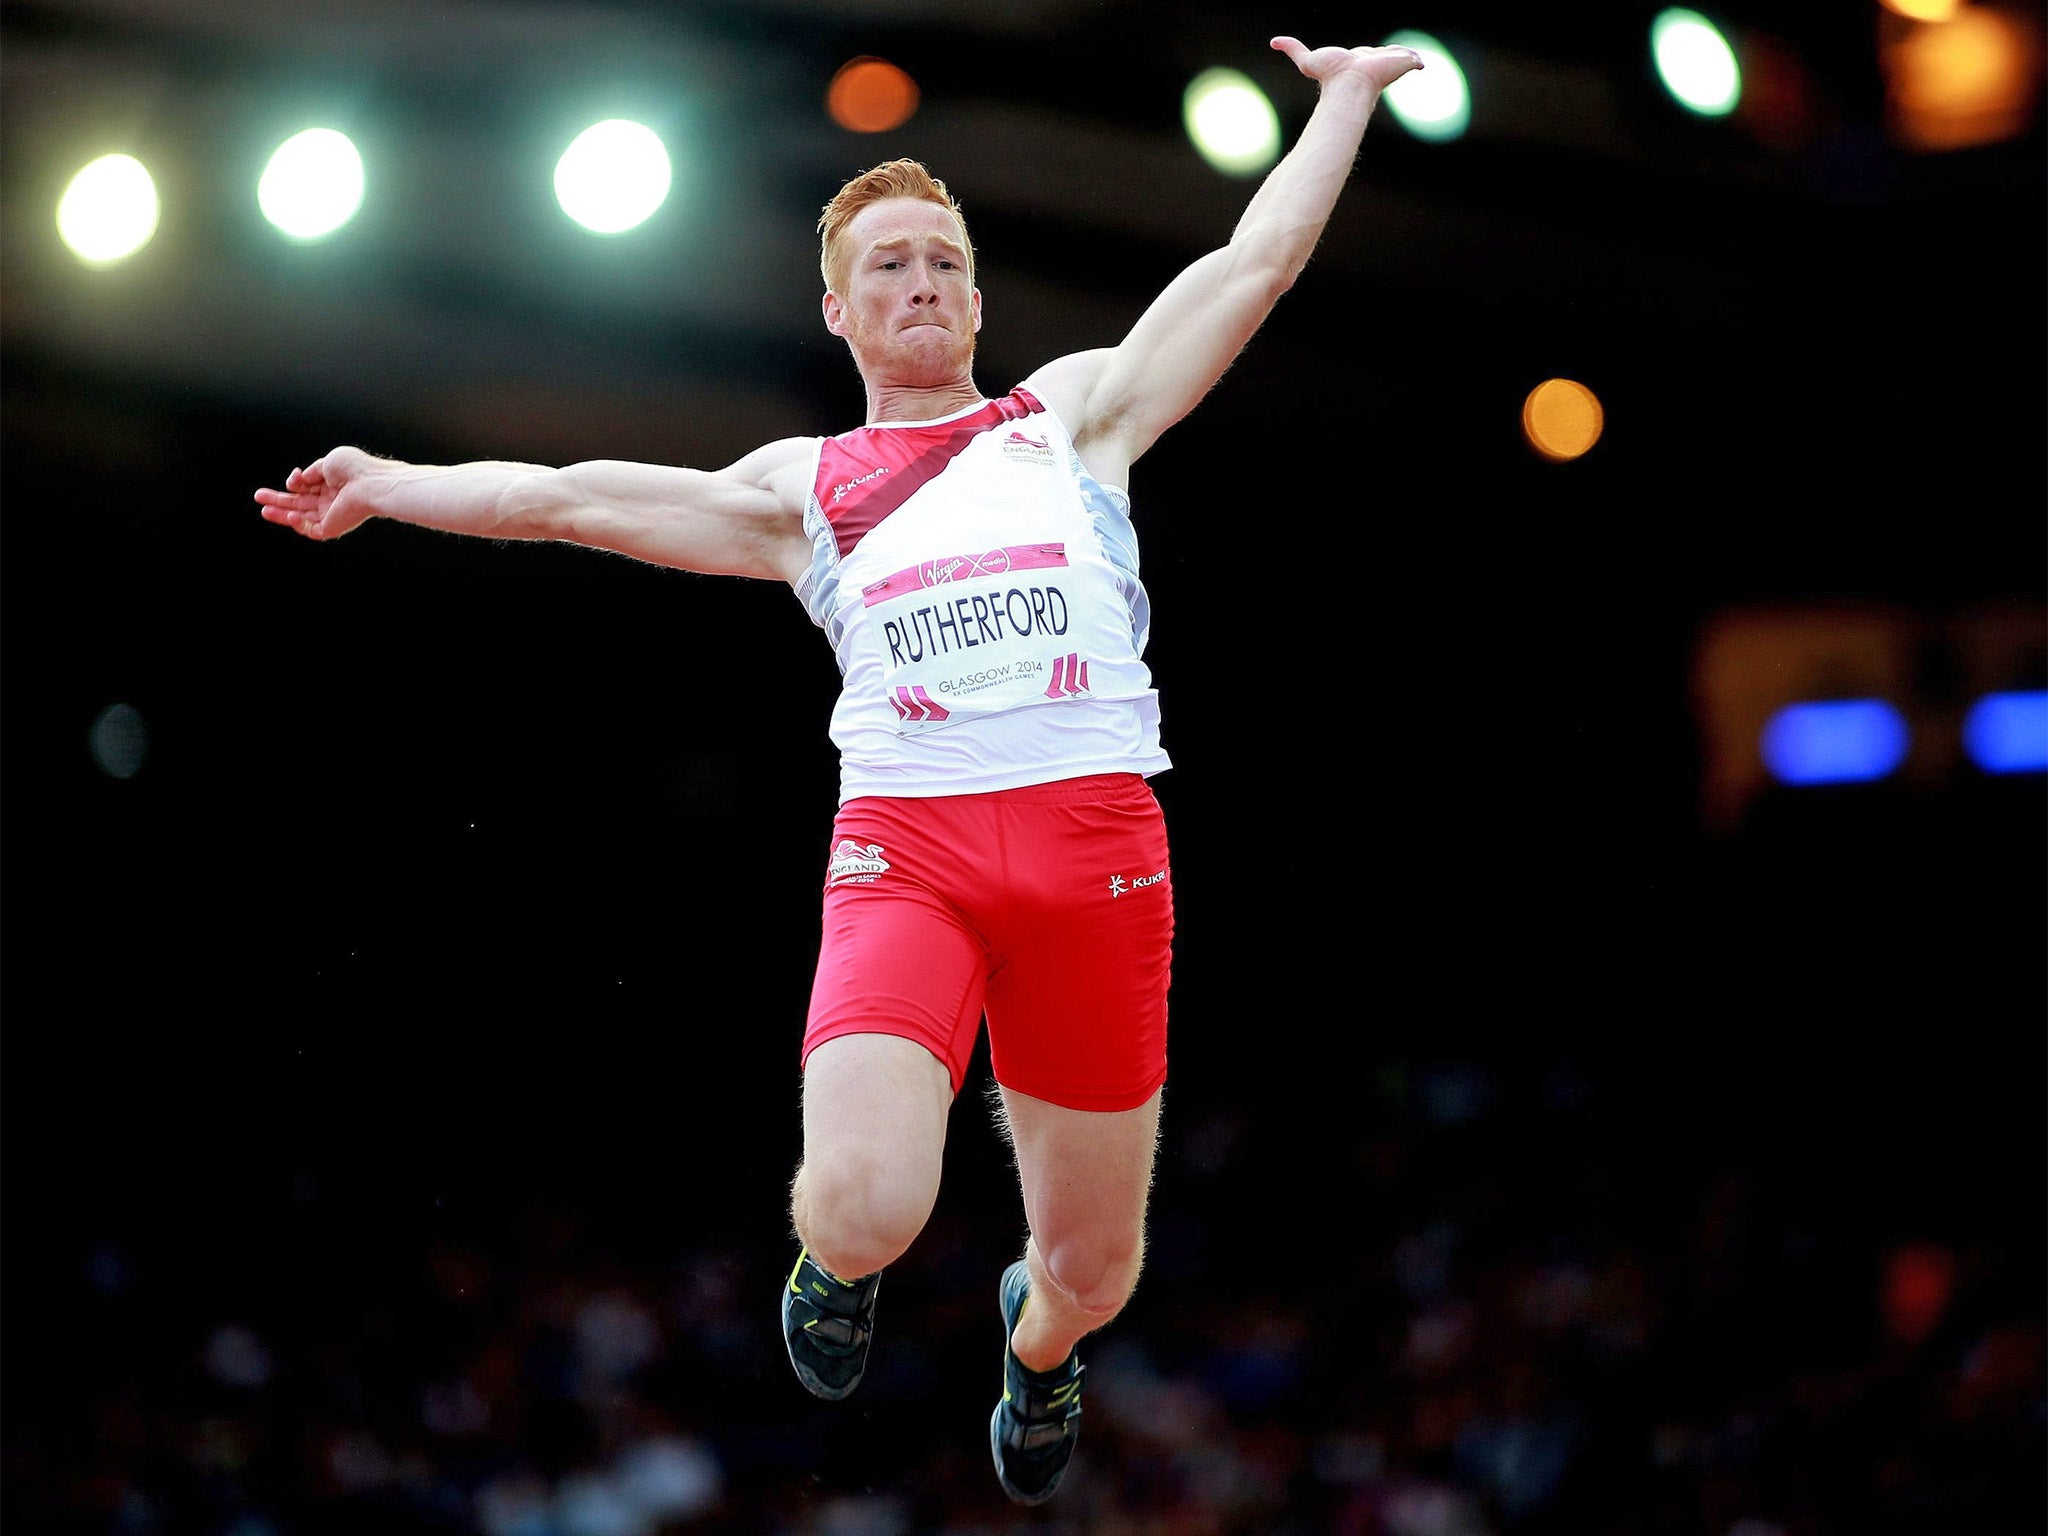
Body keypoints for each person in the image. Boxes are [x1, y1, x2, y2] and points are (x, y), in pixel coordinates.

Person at [256, 34, 1421, 1505]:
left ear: (981, 299)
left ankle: (1040, 1346)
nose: (921, 280)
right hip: (910, 856)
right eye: (887, 266)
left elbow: (1250, 267)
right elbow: (562, 499)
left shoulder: (1075, 420)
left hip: (1097, 854)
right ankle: (835, 1257)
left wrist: (1340, 106)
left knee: (1093, 1266)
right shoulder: (801, 493)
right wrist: (388, 484)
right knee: (869, 1206)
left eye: (944, 259)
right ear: (838, 310)